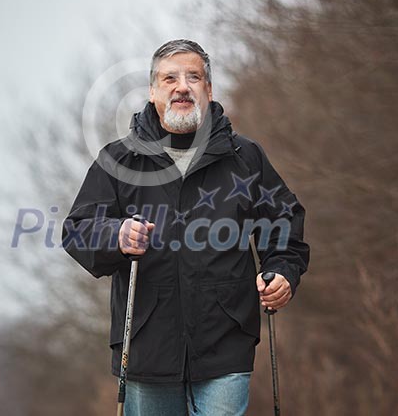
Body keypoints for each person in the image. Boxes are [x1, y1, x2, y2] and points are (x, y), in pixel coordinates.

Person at [62, 39, 309, 415]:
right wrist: (117, 235)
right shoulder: (118, 159)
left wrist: (281, 272)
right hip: (147, 348)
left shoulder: (246, 158)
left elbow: (284, 226)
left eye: (193, 77)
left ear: (208, 89)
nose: (182, 86)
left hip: (226, 344)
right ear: (153, 90)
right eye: (169, 78)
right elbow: (77, 230)